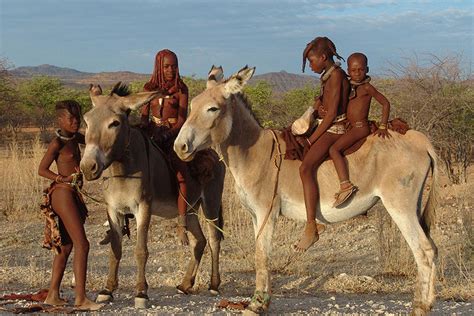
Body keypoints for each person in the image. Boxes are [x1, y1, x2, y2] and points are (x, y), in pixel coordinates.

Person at [38, 100, 102, 310]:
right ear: (60, 120)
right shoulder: (57, 143)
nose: (75, 123)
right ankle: (81, 299)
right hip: (62, 194)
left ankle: (53, 295)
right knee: (83, 244)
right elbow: (42, 169)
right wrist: (61, 179)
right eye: (71, 119)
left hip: (72, 194)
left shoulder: (76, 138)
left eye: (78, 118)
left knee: (66, 247)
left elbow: (94, 141)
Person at [294, 37, 350, 252]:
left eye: (311, 61)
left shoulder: (335, 76)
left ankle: (310, 227)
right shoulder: (328, 75)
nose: (310, 65)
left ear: (323, 58)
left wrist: (311, 138)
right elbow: (326, 103)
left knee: (305, 168)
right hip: (328, 124)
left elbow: (333, 115)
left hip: (334, 129)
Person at [141, 49, 190, 245]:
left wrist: (168, 133)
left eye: (174, 66)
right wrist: (144, 128)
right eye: (167, 66)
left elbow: (182, 119)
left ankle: (182, 224)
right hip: (152, 134)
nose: (171, 70)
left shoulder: (181, 89)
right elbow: (144, 116)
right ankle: (121, 222)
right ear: (158, 67)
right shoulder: (149, 88)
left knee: (181, 174)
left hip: (172, 136)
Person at [329, 52, 391, 207]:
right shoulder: (348, 85)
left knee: (334, 150)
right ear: (348, 71)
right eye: (353, 70)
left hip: (359, 128)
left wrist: (383, 125)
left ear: (367, 69)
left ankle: (345, 185)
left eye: (361, 70)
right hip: (349, 127)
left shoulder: (367, 88)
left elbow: (385, 103)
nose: (357, 74)